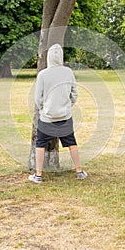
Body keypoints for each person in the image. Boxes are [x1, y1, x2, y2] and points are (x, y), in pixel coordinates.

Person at [28, 43, 88, 184]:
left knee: (40, 144)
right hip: (65, 116)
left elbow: (38, 98)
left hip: (47, 118)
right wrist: (68, 105)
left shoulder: (42, 75)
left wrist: (44, 109)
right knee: (71, 143)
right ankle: (79, 171)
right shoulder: (68, 72)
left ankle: (38, 175)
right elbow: (75, 93)